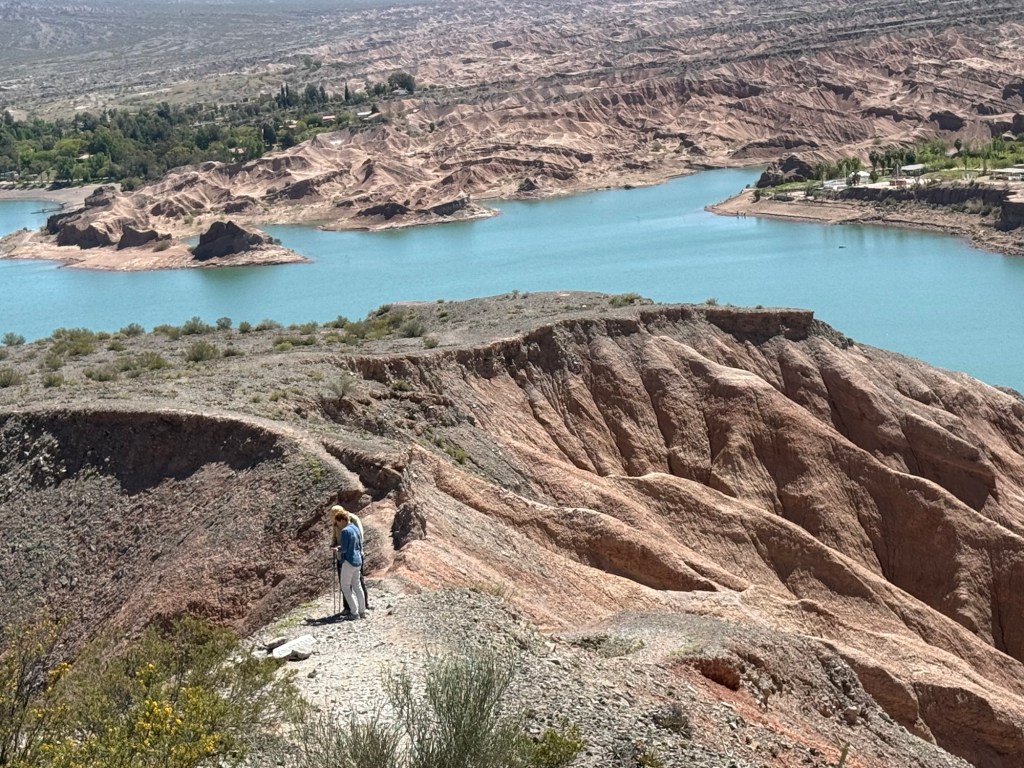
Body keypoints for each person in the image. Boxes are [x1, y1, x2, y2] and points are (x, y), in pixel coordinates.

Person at [330, 506, 370, 614]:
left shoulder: (345, 531)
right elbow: (358, 542)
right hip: (358, 559)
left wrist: (337, 549)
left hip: (348, 560)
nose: (337, 524)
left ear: (342, 520)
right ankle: (362, 610)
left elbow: (345, 548)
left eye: (338, 522)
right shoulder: (354, 528)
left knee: (345, 587)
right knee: (357, 586)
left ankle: (353, 611)